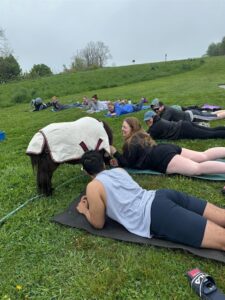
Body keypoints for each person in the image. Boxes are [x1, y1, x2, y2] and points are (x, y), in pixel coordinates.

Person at [77, 150, 225, 251]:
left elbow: (98, 223)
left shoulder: (93, 186)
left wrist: (85, 211)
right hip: (161, 195)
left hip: (156, 214)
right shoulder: (119, 171)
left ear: (86, 172)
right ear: (103, 164)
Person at [110, 117, 225, 176]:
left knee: (197, 169)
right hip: (165, 148)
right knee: (203, 155)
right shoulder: (142, 135)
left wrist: (115, 152)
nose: (122, 129)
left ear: (132, 128)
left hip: (162, 158)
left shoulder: (130, 143)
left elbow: (128, 163)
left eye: (124, 127)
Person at [143, 110, 225, 140]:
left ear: (153, 118)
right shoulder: (159, 120)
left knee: (210, 134)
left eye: (148, 120)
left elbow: (148, 138)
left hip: (184, 129)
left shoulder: (156, 127)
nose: (148, 122)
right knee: (211, 131)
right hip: (184, 124)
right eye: (146, 121)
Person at [150, 98, 225, 123]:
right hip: (191, 114)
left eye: (157, 109)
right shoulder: (164, 110)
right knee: (212, 114)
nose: (156, 111)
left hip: (193, 116)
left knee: (215, 117)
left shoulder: (167, 112)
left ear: (162, 106)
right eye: (154, 110)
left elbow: (161, 123)